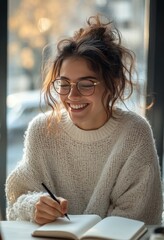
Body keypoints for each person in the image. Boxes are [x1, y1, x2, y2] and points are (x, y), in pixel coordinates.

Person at [5, 14, 163, 225]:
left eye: (86, 84)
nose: (72, 95)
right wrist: (35, 206)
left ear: (113, 84)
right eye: (64, 83)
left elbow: (140, 219)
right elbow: (17, 202)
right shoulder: (41, 130)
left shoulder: (134, 133)